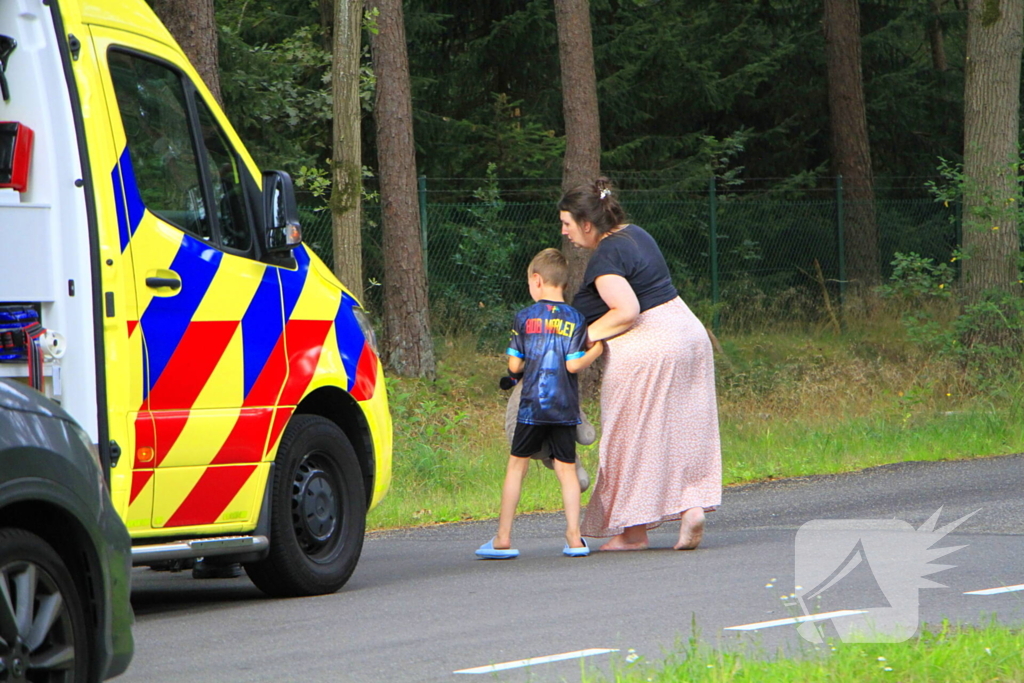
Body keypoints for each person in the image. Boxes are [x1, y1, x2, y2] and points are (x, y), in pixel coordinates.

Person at [559, 177, 722, 552]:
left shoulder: (605, 256)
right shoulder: (636, 234)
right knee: (681, 428)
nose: (564, 232)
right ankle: (691, 505)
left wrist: (584, 337)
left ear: (587, 223)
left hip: (650, 343)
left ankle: (633, 532)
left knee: (628, 436)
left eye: (567, 223)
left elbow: (627, 311)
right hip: (689, 334)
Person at [476, 248, 604, 560]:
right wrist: (595, 352)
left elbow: (515, 365)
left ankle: (503, 538)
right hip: (563, 408)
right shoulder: (576, 318)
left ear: (537, 280)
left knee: (516, 468)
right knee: (567, 470)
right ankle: (574, 537)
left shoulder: (524, 317)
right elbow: (573, 365)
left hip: (531, 406)